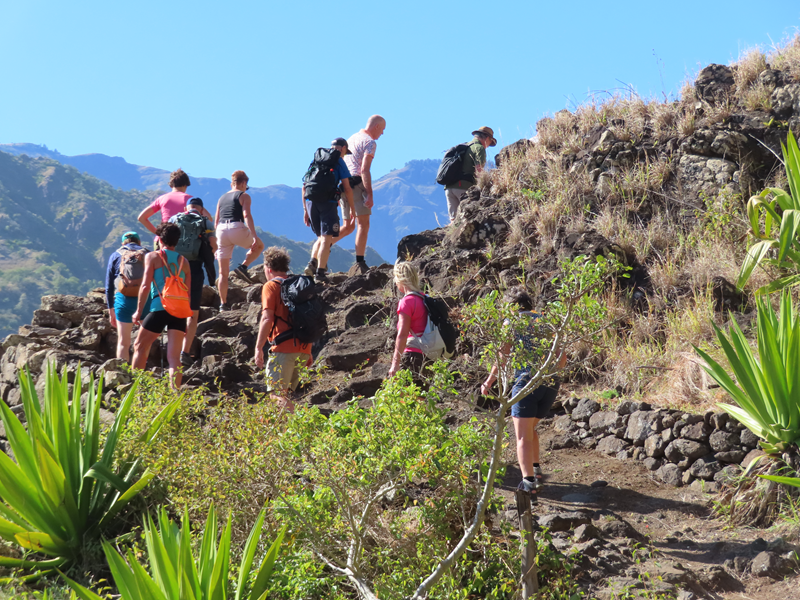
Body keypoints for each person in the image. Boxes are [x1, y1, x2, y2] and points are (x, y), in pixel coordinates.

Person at [480, 287, 565, 496]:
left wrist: (490, 381)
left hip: (526, 382)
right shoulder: (545, 321)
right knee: (530, 429)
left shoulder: (512, 322)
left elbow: (503, 355)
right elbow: (562, 357)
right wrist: (551, 375)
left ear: (512, 307)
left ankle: (528, 484)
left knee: (521, 437)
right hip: (550, 382)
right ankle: (536, 472)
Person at [131, 222, 191, 390]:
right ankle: (174, 396)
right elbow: (188, 292)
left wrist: (138, 311)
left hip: (159, 307)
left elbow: (144, 286)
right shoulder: (184, 262)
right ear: (176, 241)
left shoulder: (153, 257)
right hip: (179, 311)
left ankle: (136, 391)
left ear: (159, 239)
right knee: (174, 358)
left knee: (140, 347)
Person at [254, 247, 312, 412]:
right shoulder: (299, 285)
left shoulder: (271, 286)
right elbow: (308, 317)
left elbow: (267, 318)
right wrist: (309, 349)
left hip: (283, 348)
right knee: (286, 396)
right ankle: (286, 435)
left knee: (277, 396)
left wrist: (259, 348)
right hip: (304, 348)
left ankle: (299, 428)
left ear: (268, 268)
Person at [169, 197, 217, 367]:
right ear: (201, 210)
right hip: (195, 269)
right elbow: (214, 247)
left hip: (174, 267)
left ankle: (171, 349)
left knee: (172, 307)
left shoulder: (174, 219)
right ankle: (184, 352)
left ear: (186, 208)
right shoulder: (206, 223)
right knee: (193, 311)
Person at [302, 138, 356, 283]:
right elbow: (347, 188)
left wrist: (305, 211)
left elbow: (305, 185)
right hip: (328, 203)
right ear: (343, 148)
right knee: (326, 238)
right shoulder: (339, 161)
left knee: (320, 237)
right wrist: (352, 209)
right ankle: (320, 272)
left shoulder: (317, 159)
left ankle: (311, 263)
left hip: (311, 202)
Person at [342, 115, 386, 274]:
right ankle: (360, 262)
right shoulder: (370, 142)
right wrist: (369, 194)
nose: (381, 134)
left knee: (348, 226)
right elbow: (364, 169)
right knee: (363, 223)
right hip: (356, 184)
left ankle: (323, 247)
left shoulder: (351, 138)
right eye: (382, 130)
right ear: (376, 127)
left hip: (343, 185)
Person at [214, 170, 265, 310]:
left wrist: (214, 243)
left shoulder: (222, 198)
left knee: (222, 273)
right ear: (243, 183)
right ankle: (243, 267)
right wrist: (254, 236)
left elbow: (216, 220)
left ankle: (222, 304)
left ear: (232, 183)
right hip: (236, 227)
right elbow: (247, 215)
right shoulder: (244, 196)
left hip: (221, 230)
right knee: (259, 246)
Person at [104, 231, 152, 362]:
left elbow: (109, 286)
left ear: (122, 243)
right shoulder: (148, 254)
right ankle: (141, 375)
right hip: (145, 301)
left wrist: (111, 310)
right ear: (139, 242)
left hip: (123, 301)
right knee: (144, 343)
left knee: (123, 343)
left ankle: (122, 376)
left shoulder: (115, 255)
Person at [137, 168, 212, 243]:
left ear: (171, 185)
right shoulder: (190, 200)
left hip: (163, 241)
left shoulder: (162, 198)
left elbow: (142, 217)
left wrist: (159, 233)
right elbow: (209, 218)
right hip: (184, 242)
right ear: (185, 185)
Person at [444, 126, 496, 223]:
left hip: (449, 188)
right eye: (490, 142)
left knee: (454, 222)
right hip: (464, 187)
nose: (488, 145)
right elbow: (479, 170)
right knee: (469, 219)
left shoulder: (465, 146)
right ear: (487, 138)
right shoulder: (479, 148)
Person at [388, 261, 428, 382]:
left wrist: (395, 364)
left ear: (401, 280)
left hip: (412, 355)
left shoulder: (407, 302)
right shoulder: (425, 299)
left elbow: (403, 334)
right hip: (429, 355)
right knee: (420, 397)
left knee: (405, 398)